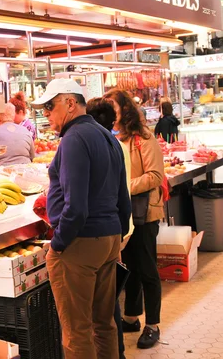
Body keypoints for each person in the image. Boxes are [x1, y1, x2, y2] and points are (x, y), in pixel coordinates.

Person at [31, 79, 131, 359]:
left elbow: (76, 207)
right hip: (108, 238)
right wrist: (118, 233)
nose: (47, 114)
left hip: (81, 242)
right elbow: (123, 195)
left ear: (70, 104)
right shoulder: (108, 136)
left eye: (50, 107)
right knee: (104, 324)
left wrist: (59, 243)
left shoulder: (74, 140)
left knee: (77, 331)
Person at [104, 89, 165, 350]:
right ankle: (131, 317)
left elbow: (155, 175)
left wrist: (124, 187)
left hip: (145, 213)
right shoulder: (112, 138)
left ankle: (152, 324)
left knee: (148, 268)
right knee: (129, 269)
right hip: (124, 214)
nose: (109, 115)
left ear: (124, 110)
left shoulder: (143, 137)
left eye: (113, 109)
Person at [87, 97, 134, 359]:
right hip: (117, 226)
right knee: (110, 296)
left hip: (105, 229)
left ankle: (115, 351)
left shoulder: (99, 146)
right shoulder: (115, 144)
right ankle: (117, 352)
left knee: (104, 303)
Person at [0, 103, 34, 168]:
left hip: (1, 172)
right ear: (13, 115)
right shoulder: (25, 130)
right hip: (25, 171)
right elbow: (32, 156)